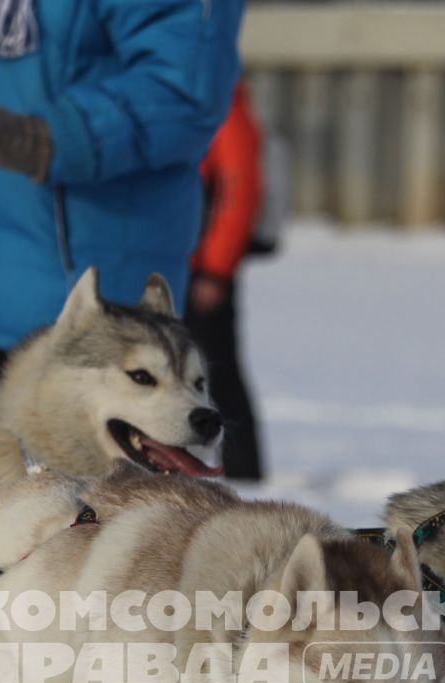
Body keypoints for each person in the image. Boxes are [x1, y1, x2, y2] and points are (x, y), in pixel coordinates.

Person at [0, 0, 244, 420]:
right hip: (5, 275)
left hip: (89, 280)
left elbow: (184, 89)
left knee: (83, 477)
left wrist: (54, 139)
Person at [187, 81, 265, 482]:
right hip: (168, 267)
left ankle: (244, 475)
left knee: (219, 374)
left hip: (201, 275)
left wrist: (216, 269)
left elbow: (240, 190)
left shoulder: (223, 104)